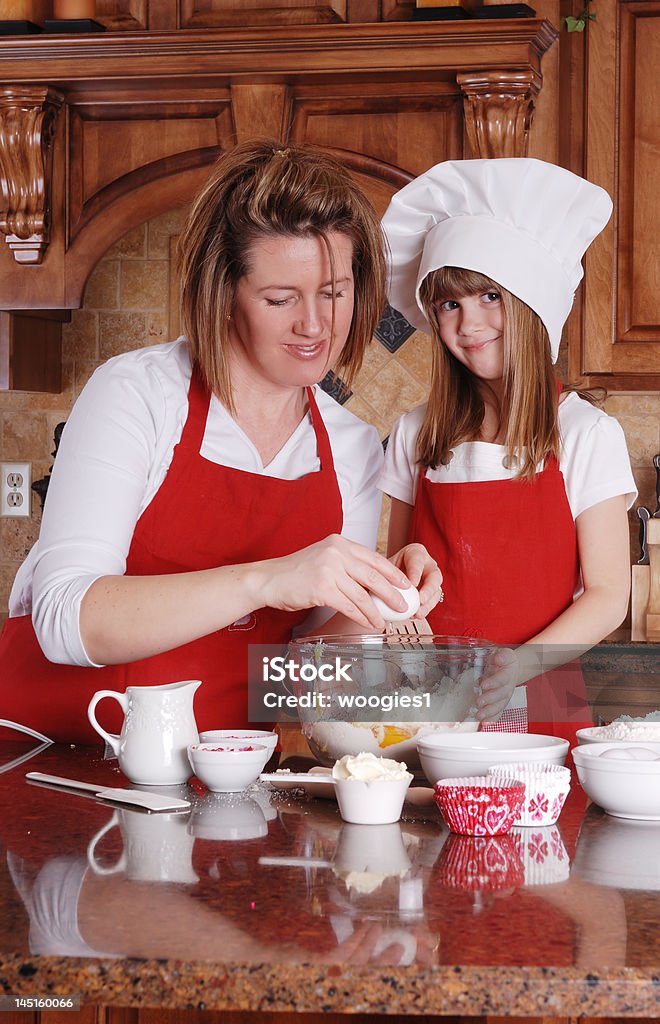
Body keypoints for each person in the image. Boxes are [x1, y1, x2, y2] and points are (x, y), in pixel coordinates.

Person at [0, 139, 442, 744]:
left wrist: (379, 602)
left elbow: (305, 659)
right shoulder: (136, 396)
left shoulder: (352, 448)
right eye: (280, 298)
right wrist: (266, 579)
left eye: (334, 293)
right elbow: (64, 620)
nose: (315, 325)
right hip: (57, 759)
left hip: (227, 776)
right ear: (224, 294)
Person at [379, 157, 637, 747]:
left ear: (531, 306)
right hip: (429, 697)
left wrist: (517, 667)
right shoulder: (417, 433)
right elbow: (402, 574)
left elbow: (607, 596)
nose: (469, 322)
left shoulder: (584, 434)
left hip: (544, 684)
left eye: (489, 296)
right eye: (449, 304)